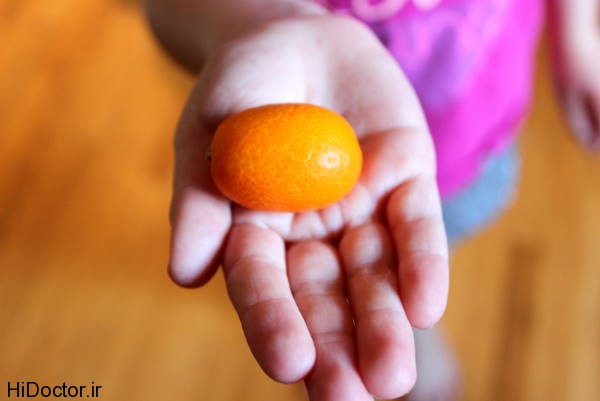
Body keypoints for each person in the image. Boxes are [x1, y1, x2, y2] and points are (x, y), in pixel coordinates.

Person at [144, 0, 600, 400]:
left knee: (439, 237)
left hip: (477, 127)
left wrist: (577, 34)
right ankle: (414, 326)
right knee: (390, 262)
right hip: (337, 127)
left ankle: (416, 317)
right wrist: (260, 20)